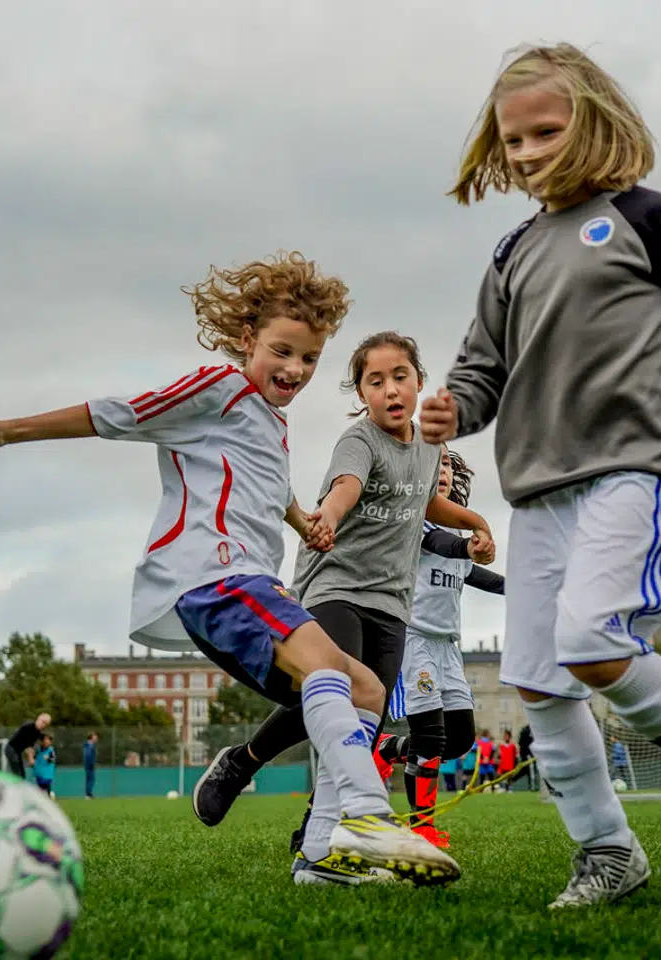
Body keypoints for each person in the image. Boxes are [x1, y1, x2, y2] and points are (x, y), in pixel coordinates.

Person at [0, 252, 457, 886]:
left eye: (308, 358)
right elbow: (119, 412)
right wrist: (10, 430)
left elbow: (269, 493)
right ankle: (364, 814)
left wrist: (305, 524)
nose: (295, 370)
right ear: (248, 340)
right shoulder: (218, 387)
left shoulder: (272, 424)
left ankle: (323, 858)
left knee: (367, 691)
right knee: (329, 668)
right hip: (212, 579)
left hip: (253, 582)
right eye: (282, 351)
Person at [420, 43, 661, 908]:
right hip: (537, 491)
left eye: (547, 129)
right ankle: (609, 851)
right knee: (539, 682)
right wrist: (451, 413)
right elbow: (481, 373)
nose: (530, 151)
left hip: (628, 468)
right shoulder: (510, 253)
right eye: (514, 141)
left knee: (592, 642)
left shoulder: (646, 217)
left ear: (594, 119)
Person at [187, 331, 495, 884]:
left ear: (419, 382)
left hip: (391, 600)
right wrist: (326, 514)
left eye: (399, 376)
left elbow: (425, 498)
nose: (390, 390)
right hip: (335, 588)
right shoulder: (358, 444)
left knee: (361, 716)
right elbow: (347, 487)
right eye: (374, 382)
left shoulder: (428, 445)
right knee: (335, 686)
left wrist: (475, 524)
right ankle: (250, 769)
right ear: (361, 394)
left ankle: (315, 838)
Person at [375, 446, 504, 846]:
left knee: (461, 739)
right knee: (431, 735)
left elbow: (475, 575)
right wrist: (469, 544)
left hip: (448, 647)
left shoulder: (455, 536)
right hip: (413, 639)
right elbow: (447, 547)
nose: (442, 469)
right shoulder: (415, 523)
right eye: (434, 464)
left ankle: (387, 750)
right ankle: (422, 826)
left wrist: (528, 587)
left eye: (447, 463)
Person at [4, 713, 51, 781]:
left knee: (22, 775)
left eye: (45, 724)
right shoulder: (29, 726)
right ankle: (14, 787)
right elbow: (28, 748)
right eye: (42, 722)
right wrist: (30, 758)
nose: (43, 725)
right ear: (38, 719)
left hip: (18, 752)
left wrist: (32, 759)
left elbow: (30, 747)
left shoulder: (37, 733)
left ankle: (19, 787)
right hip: (11, 749)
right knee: (17, 773)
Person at [33, 734, 57, 798]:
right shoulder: (38, 750)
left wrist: (48, 758)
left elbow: (53, 759)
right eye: (45, 739)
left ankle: (49, 796)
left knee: (47, 785)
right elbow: (33, 758)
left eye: (48, 740)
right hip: (39, 773)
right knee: (40, 788)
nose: (47, 741)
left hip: (47, 773)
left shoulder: (51, 750)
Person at [517, 724, 535, 790]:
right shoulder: (529, 732)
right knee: (530, 769)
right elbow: (531, 742)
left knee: (526, 770)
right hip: (528, 754)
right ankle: (532, 786)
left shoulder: (522, 731)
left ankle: (531, 785)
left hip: (523, 753)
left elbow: (519, 742)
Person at [83, 732, 99, 798]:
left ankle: (88, 794)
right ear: (92, 737)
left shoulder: (87, 745)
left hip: (88, 765)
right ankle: (89, 794)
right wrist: (92, 764)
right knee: (91, 779)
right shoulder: (89, 745)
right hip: (89, 765)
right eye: (95, 737)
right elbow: (88, 756)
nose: (96, 738)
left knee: (89, 779)